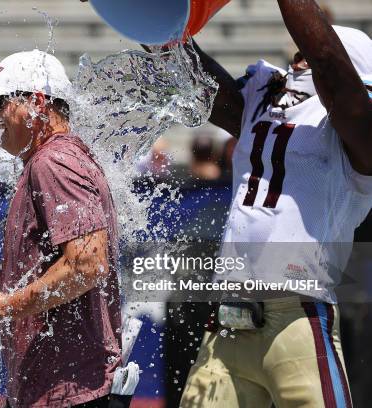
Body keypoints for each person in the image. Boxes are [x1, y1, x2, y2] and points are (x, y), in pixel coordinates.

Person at [175, 1, 372, 407]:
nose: (294, 64)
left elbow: (330, 65)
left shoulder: (359, 129)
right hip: (228, 319)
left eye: (304, 56)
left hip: (297, 318)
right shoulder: (264, 110)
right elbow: (184, 66)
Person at [0, 50, 127, 407]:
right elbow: (70, 268)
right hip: (64, 388)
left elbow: (87, 265)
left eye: (0, 102)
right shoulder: (51, 159)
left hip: (73, 391)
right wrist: (3, 277)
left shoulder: (53, 161)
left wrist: (5, 305)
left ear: (36, 104)